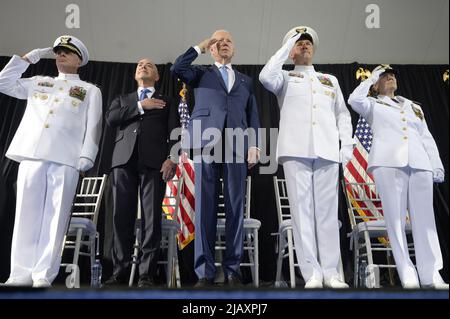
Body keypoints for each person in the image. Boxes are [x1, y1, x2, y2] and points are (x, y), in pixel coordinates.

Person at [0, 35, 103, 287]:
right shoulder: (39, 82)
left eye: (67, 51)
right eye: (58, 51)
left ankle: (43, 274)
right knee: (26, 216)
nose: (60, 55)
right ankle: (19, 274)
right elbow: (3, 82)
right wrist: (25, 60)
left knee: (54, 219)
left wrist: (86, 156)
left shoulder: (89, 90)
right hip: (32, 155)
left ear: (80, 60)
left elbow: (94, 126)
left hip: (66, 158)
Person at [259, 26, 353, 288]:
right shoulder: (285, 78)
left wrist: (345, 144)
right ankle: (311, 272)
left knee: (326, 213)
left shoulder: (329, 80)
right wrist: (284, 46)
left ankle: (332, 273)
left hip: (326, 150)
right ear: (291, 51)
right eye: (298, 43)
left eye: (308, 42)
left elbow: (342, 114)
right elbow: (265, 77)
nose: (304, 45)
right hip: (295, 150)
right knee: (302, 212)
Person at [171, 30, 261, 287]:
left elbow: (252, 114)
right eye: (218, 42)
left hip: (236, 147)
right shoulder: (201, 74)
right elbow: (178, 67)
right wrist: (199, 46)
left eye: (228, 41)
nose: (223, 45)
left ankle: (233, 270)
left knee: (235, 209)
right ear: (211, 49)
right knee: (205, 211)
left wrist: (254, 144)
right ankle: (205, 272)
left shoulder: (245, 81)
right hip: (204, 145)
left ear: (234, 48)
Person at [348, 65, 448, 290]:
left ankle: (431, 274)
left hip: (420, 163)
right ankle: (407, 274)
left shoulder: (413, 106)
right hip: (388, 163)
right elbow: (354, 100)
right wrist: (372, 77)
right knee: (396, 222)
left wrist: (436, 165)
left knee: (426, 221)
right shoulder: (372, 104)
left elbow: (426, 136)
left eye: (391, 75)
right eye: (384, 76)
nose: (390, 77)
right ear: (376, 84)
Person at [105, 58, 179, 287]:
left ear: (157, 76)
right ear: (135, 75)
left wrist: (172, 158)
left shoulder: (167, 100)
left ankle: (146, 274)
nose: (143, 66)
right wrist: (140, 106)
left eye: (149, 64)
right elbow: (111, 119)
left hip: (154, 163)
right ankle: (120, 271)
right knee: (120, 217)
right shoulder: (123, 99)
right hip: (123, 162)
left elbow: (176, 131)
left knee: (152, 219)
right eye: (139, 65)